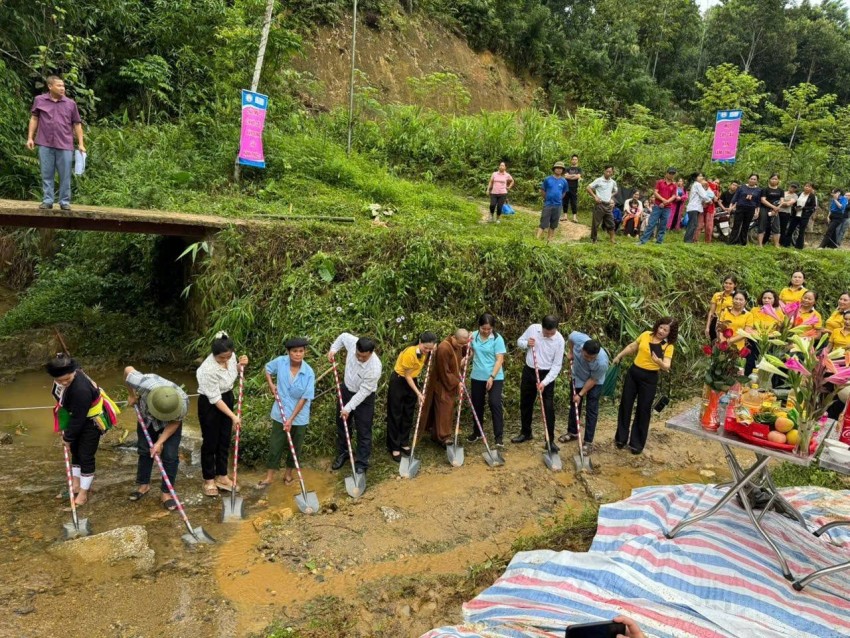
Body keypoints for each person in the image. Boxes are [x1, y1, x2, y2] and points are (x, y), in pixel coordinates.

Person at [47, 354, 112, 506]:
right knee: (75, 452)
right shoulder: (68, 377)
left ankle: (83, 493)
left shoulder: (80, 390)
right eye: (59, 380)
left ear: (74, 372)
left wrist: (67, 438)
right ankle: (76, 485)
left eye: (67, 379)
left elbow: (78, 419)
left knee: (85, 455)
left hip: (91, 422)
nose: (63, 382)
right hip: (76, 415)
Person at [125, 366, 190, 510]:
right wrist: (132, 395)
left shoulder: (183, 401)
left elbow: (175, 422)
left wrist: (160, 442)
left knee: (170, 455)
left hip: (170, 424)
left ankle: (166, 493)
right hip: (147, 419)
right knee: (144, 450)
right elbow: (128, 370)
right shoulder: (143, 383)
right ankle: (144, 485)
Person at [612, 317, 677, 455]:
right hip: (634, 373)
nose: (662, 331)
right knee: (625, 405)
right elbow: (632, 346)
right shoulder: (646, 335)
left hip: (650, 378)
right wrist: (619, 356)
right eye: (661, 327)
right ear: (657, 326)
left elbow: (667, 366)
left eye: (666, 330)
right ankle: (621, 438)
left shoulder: (668, 346)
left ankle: (636, 443)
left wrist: (658, 361)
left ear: (670, 333)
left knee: (643, 410)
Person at [196, 332, 249, 497]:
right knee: (210, 441)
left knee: (224, 439)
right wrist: (233, 416)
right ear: (215, 355)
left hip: (227, 396)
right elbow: (215, 399)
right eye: (222, 358)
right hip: (210, 403)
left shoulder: (230, 356)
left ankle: (222, 475)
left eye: (228, 356)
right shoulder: (206, 370)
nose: (226, 360)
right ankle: (209, 479)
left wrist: (241, 365)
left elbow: (235, 371)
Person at [259, 337, 315, 488]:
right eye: (294, 351)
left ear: (305, 352)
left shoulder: (308, 372)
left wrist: (291, 419)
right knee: (275, 444)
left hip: (299, 416)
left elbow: (304, 398)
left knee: (295, 446)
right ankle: (270, 476)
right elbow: (267, 369)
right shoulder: (280, 362)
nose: (298, 354)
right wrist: (271, 384)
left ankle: (288, 473)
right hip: (280, 412)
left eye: (301, 351)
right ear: (288, 352)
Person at [26, 75, 85, 211]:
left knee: (65, 175)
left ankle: (64, 201)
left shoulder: (70, 104)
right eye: (59, 86)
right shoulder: (39, 100)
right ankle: (48, 200)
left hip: (65, 144)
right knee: (46, 173)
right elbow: (34, 118)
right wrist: (30, 138)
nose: (62, 88)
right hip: (45, 143)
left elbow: (77, 124)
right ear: (50, 86)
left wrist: (81, 144)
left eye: (63, 86)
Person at [328, 333, 382, 474]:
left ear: (371, 353)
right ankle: (344, 452)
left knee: (364, 429)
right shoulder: (353, 343)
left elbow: (363, 393)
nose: (360, 358)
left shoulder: (375, 368)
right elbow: (342, 336)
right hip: (346, 389)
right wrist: (333, 349)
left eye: (364, 356)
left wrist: (348, 408)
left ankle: (361, 463)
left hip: (364, 397)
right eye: (358, 354)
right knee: (342, 423)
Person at [514, 315, 565, 453]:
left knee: (548, 408)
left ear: (556, 329)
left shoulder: (559, 340)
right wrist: (526, 344)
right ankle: (526, 432)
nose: (548, 335)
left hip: (547, 375)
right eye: (546, 332)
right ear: (541, 327)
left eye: (551, 332)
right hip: (530, 370)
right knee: (525, 403)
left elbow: (557, 366)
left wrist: (544, 382)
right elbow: (520, 341)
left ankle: (550, 440)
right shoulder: (533, 329)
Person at [386, 331, 437, 462]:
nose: (427, 351)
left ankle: (404, 442)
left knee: (408, 413)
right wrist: (419, 393)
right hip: (400, 381)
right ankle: (394, 446)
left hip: (412, 381)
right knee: (396, 414)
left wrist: (433, 349)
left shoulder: (427, 351)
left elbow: (433, 348)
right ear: (420, 342)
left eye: (430, 348)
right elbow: (407, 376)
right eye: (425, 348)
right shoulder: (410, 353)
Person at [558, 331, 609, 456]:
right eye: (586, 356)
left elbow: (593, 380)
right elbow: (570, 336)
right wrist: (570, 352)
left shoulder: (602, 362)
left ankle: (588, 442)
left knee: (592, 409)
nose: (589, 359)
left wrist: (580, 394)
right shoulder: (579, 340)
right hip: (578, 377)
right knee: (575, 405)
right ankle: (573, 432)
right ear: (582, 349)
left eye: (592, 358)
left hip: (594, 382)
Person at [420, 329, 470, 446]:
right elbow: (444, 371)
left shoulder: (457, 345)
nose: (462, 346)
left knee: (446, 408)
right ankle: (444, 437)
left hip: (451, 382)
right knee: (444, 408)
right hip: (442, 383)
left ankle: (436, 435)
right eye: (460, 344)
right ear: (454, 338)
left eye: (464, 344)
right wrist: (457, 382)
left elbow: (462, 354)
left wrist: (466, 355)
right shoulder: (444, 348)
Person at [469, 314, 506, 446]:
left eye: (488, 329)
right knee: (477, 404)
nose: (485, 331)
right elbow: (472, 352)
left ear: (492, 328)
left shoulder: (497, 339)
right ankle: (477, 432)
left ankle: (499, 437)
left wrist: (492, 377)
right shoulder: (473, 336)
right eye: (483, 328)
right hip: (477, 376)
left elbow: (499, 359)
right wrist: (466, 358)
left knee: (494, 403)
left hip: (495, 377)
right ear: (479, 326)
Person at [747, 290, 783, 374]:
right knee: (751, 361)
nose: (766, 300)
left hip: (770, 341)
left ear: (774, 300)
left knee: (766, 363)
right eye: (764, 298)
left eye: (769, 298)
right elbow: (750, 326)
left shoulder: (779, 313)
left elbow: (779, 330)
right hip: (755, 339)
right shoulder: (754, 310)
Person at [639, 167, 678, 245]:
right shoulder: (660, 182)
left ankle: (659, 241)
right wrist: (663, 199)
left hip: (667, 208)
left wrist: (665, 202)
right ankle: (643, 241)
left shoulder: (674, 185)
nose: (671, 175)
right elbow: (655, 192)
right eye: (670, 173)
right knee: (651, 223)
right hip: (657, 206)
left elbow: (674, 196)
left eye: (673, 174)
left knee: (663, 225)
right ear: (666, 173)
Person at [586, 165, 618, 244]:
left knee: (611, 222)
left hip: (608, 205)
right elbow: (588, 188)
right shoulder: (599, 180)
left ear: (612, 173)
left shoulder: (613, 182)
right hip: (600, 204)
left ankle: (612, 239)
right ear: (604, 171)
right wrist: (595, 197)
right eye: (607, 171)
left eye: (610, 172)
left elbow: (616, 190)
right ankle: (594, 239)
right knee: (596, 223)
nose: (608, 173)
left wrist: (611, 196)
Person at [538, 161, 569, 241]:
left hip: (558, 205)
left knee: (553, 224)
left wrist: (558, 199)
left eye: (560, 168)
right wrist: (547, 198)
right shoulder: (547, 179)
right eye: (557, 168)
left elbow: (564, 192)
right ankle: (537, 239)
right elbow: (542, 190)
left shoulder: (564, 181)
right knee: (543, 222)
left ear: (562, 170)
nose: (559, 170)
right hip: (548, 204)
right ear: (554, 169)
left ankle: (549, 240)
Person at [683, 172, 716, 244]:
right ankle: (688, 240)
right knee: (693, 224)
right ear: (696, 178)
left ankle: (688, 239)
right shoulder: (697, 184)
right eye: (700, 176)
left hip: (694, 208)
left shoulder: (695, 184)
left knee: (692, 224)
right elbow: (703, 195)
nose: (702, 178)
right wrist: (709, 200)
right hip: (694, 207)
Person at [729, 174, 762, 245]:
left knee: (746, 226)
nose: (752, 180)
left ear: (757, 181)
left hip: (751, 208)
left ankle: (742, 242)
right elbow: (735, 197)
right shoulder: (741, 187)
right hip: (740, 207)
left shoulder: (759, 190)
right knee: (736, 225)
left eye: (754, 179)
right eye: (751, 178)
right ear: (748, 179)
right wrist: (731, 206)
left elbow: (758, 202)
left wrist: (757, 212)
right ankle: (732, 241)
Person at [781, 183, 817, 249]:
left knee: (801, 231)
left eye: (809, 187)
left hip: (804, 216)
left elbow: (813, 207)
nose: (806, 188)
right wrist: (794, 207)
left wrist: (803, 208)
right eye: (806, 186)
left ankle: (799, 247)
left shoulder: (812, 196)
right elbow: (794, 202)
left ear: (811, 188)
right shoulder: (799, 194)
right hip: (795, 215)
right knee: (790, 229)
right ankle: (786, 244)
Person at [705, 275, 737, 341]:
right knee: (714, 344)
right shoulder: (717, 295)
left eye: (730, 283)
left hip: (729, 323)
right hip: (716, 322)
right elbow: (711, 312)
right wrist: (707, 327)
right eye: (726, 283)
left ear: (735, 285)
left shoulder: (737, 297)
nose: (727, 285)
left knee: (726, 345)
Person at [757, 174, 783, 248]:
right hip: (764, 209)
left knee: (776, 226)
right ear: (769, 179)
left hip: (776, 210)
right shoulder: (765, 189)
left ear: (778, 180)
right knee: (762, 225)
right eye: (772, 179)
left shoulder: (780, 190)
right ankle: (760, 244)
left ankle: (776, 245)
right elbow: (763, 200)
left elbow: (782, 201)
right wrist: (773, 207)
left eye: (775, 179)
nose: (774, 180)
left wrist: (777, 208)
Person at [564, 154, 582, 223]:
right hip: (566, 186)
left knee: (573, 202)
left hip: (574, 187)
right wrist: (574, 175)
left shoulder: (579, 169)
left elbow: (578, 177)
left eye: (576, 159)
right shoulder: (567, 168)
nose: (574, 160)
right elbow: (565, 177)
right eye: (573, 159)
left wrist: (570, 176)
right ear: (571, 160)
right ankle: (565, 216)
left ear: (577, 161)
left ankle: (574, 217)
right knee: (565, 201)